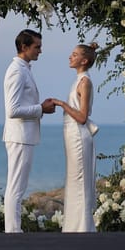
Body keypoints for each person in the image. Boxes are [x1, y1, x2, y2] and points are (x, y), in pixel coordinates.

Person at [2, 29, 56, 233]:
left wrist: (41, 108)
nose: (40, 51)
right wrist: (41, 108)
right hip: (19, 137)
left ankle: (13, 231)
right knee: (15, 188)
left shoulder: (24, 69)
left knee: (17, 187)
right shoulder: (16, 71)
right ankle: (13, 233)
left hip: (23, 136)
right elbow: (12, 110)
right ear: (24, 47)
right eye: (37, 47)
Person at [52, 42, 99, 232]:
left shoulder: (85, 82)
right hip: (72, 138)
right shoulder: (78, 80)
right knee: (73, 182)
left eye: (74, 54)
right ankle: (72, 227)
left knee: (80, 183)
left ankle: (83, 228)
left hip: (79, 138)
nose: (70, 57)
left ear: (84, 60)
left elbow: (82, 117)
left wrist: (62, 104)